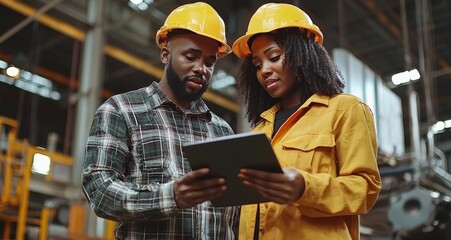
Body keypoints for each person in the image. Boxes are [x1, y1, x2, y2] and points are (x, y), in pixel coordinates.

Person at [81, 2, 240, 239]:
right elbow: (99, 190)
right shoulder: (122, 110)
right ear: (165, 54)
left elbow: (233, 215)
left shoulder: (222, 130)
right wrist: (171, 196)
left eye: (209, 62)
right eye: (190, 56)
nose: (201, 69)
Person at [232, 3, 381, 240]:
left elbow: (364, 189)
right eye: (258, 65)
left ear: (302, 53)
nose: (265, 70)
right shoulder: (258, 131)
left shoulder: (344, 110)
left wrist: (305, 187)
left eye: (274, 57)